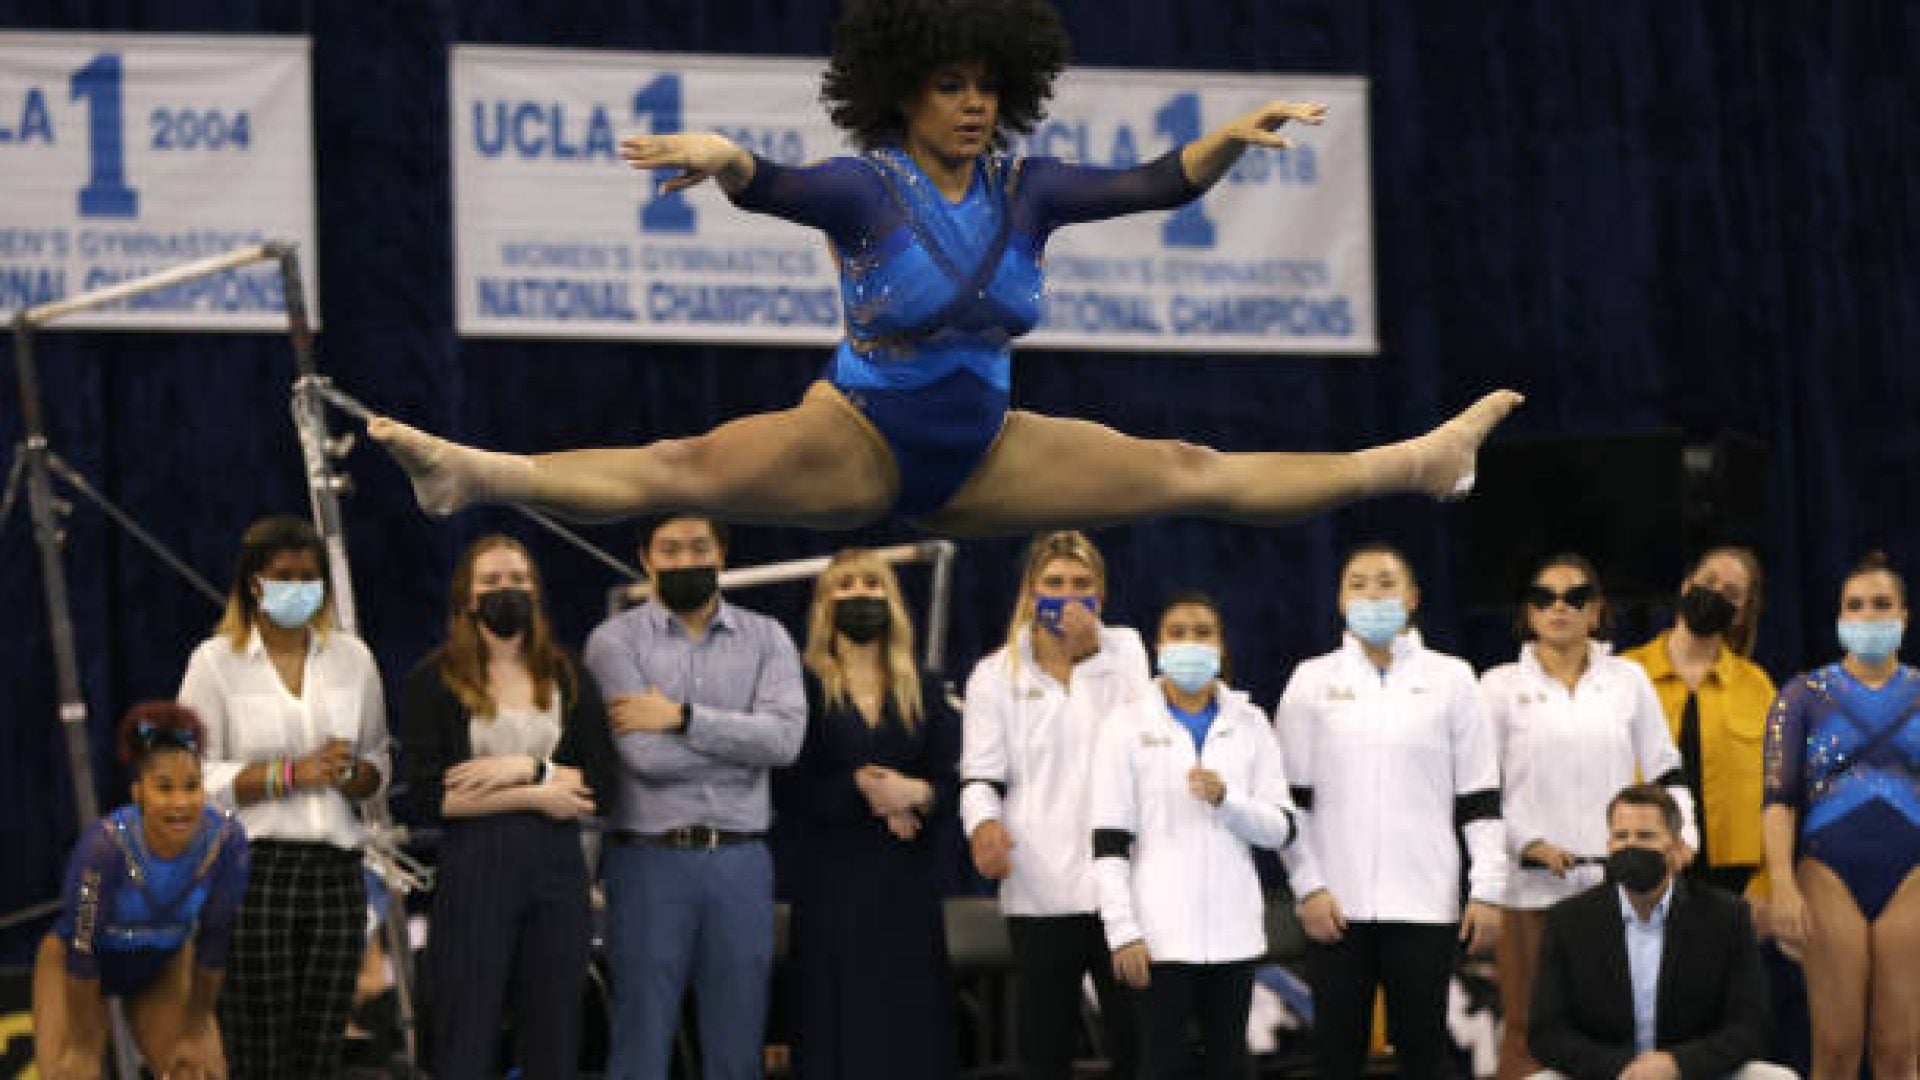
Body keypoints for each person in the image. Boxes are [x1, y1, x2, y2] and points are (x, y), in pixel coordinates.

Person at [365, 0, 1521, 537]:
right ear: (901, 89)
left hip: (985, 454)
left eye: (986, 87)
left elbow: (1156, 183)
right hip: (861, 434)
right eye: (949, 86)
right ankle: (477, 473)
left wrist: (1228, 137)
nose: (973, 106)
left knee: (1188, 469)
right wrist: (721, 157)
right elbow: (772, 182)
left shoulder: (1035, 189)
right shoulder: (868, 188)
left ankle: (1418, 460)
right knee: (686, 466)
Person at [583, 514, 806, 1080]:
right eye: (671, 549)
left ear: (722, 555)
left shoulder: (768, 637)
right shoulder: (614, 642)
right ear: (646, 559)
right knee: (642, 1037)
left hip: (740, 861)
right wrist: (739, 740)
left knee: (738, 1042)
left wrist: (681, 717)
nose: (685, 560)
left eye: (698, 547)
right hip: (648, 860)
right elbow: (645, 759)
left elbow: (784, 741)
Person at [1275, 543, 1505, 1080]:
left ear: (1413, 597)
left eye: (1385, 582)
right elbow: (1289, 803)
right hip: (1335, 906)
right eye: (1358, 584)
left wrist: (1488, 889)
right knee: (1336, 1055)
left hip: (1425, 902)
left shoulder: (1453, 679)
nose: (1372, 594)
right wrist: (1307, 886)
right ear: (1339, 599)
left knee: (1424, 1054)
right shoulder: (1311, 680)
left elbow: (1480, 797)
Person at [176, 514, 390, 1079]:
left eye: (309, 577)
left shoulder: (353, 659)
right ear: (255, 582)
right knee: (258, 1049)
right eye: (286, 576)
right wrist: (289, 774)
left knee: (320, 1049)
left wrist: (353, 775)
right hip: (254, 868)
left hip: (338, 870)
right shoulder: (214, 662)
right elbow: (195, 776)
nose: (300, 588)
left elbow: (379, 764)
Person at [399, 534, 622, 1079]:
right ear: (468, 597)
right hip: (476, 865)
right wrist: (536, 794)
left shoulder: (568, 676)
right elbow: (429, 798)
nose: (507, 590)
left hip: (557, 868)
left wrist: (524, 768)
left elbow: (602, 786)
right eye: (493, 581)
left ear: (537, 593)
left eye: (518, 581)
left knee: (553, 1032)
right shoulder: (432, 681)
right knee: (466, 1032)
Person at [1481, 554, 1699, 1080]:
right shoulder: (1496, 686)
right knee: (1526, 1030)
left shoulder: (1628, 680)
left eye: (1576, 597)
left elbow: (1668, 770)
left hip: (1617, 888)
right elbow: (1480, 793)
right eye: (1544, 597)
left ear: (1597, 610)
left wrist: (1683, 833)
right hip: (1529, 890)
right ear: (1527, 612)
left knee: (1621, 1029)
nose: (1560, 608)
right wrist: (1528, 843)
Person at [961, 530, 1153, 1078]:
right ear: (1028, 592)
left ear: (1101, 595)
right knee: (1045, 1050)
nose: (1067, 595)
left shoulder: (1128, 652)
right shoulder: (993, 675)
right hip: (1039, 887)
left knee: (1136, 1044)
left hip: (1125, 886)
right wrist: (984, 829)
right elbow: (980, 777)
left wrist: (1090, 656)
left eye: (1081, 584)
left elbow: (1140, 743)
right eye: (1053, 583)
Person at [1091, 592, 1298, 1079]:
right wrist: (1123, 932)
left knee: (1229, 1064)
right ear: (1158, 647)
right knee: (1161, 1064)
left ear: (1222, 647)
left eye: (1202, 632)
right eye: (1177, 633)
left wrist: (1229, 803)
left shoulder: (1251, 724)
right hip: (1158, 937)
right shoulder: (1124, 726)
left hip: (1234, 935)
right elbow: (1108, 842)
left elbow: (1281, 829)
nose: (1190, 643)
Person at [773, 548, 961, 1078]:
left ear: (893, 601)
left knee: (911, 1033)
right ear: (825, 602)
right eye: (847, 585)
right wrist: (859, 787)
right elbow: (786, 788)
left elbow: (951, 781)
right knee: (837, 1032)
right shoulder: (801, 687)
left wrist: (917, 794)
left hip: (906, 885)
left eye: (873, 585)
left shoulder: (923, 687)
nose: (861, 595)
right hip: (833, 885)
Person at [1763, 553, 1920, 1080]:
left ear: (1904, 616)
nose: (1867, 616)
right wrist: (1782, 885)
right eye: (1854, 606)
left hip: (1913, 878)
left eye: (1881, 605)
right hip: (1827, 874)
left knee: (1899, 1053)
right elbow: (1777, 800)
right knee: (1835, 1049)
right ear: (1838, 618)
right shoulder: (1801, 697)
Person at [34, 702, 249, 1080]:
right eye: (164, 788)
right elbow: (82, 951)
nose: (180, 802)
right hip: (75, 965)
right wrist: (84, 1046)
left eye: (191, 787)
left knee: (200, 1071)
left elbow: (215, 945)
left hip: (161, 966)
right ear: (139, 793)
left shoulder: (226, 843)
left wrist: (195, 1028)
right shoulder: (104, 847)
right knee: (72, 1072)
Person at [1528, 784, 1791, 1080]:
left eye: (1645, 836)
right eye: (1621, 836)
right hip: (1605, 1074)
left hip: (1693, 1072)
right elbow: (1546, 1032)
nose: (1631, 846)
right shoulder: (1568, 921)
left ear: (1676, 846)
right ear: (1608, 845)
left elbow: (1751, 1028)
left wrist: (1676, 1064)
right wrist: (1621, 1068)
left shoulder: (1726, 917)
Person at [1621, 546, 1776, 898]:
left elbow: (1778, 790)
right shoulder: (1626, 674)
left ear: (1741, 613)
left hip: (1733, 880)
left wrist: (1768, 882)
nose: (1715, 594)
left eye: (1731, 593)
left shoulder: (1757, 686)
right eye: (1708, 582)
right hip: (1641, 864)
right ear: (1686, 585)